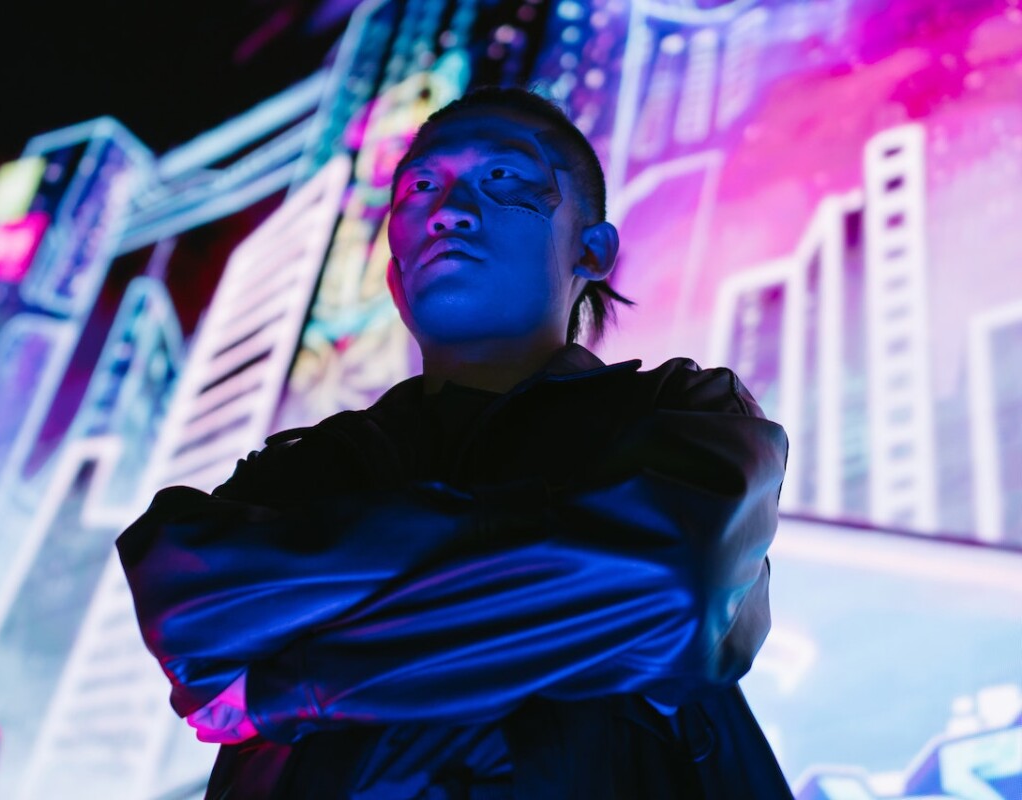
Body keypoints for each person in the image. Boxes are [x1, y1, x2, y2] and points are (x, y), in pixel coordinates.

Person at [118, 87, 794, 799]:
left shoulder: (688, 413)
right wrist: (564, 550)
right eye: (419, 186)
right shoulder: (299, 467)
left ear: (593, 248)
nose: (448, 211)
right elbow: (194, 611)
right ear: (395, 272)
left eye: (503, 178)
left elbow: (672, 583)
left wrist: (296, 681)